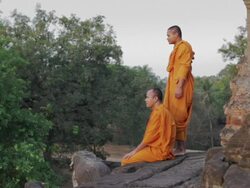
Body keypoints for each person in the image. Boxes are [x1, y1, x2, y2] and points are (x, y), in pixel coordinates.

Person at [121, 88, 176, 166]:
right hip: (163, 149)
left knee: (125, 161)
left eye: (147, 97)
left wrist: (134, 151)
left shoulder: (158, 113)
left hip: (159, 151)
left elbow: (149, 138)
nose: (145, 100)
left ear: (155, 98)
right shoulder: (163, 110)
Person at [163, 25, 195, 156]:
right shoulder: (176, 48)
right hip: (173, 84)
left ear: (176, 34)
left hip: (180, 84)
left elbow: (184, 67)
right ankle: (176, 146)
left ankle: (181, 148)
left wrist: (180, 86)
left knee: (179, 115)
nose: (167, 38)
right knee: (171, 114)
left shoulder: (184, 47)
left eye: (168, 35)